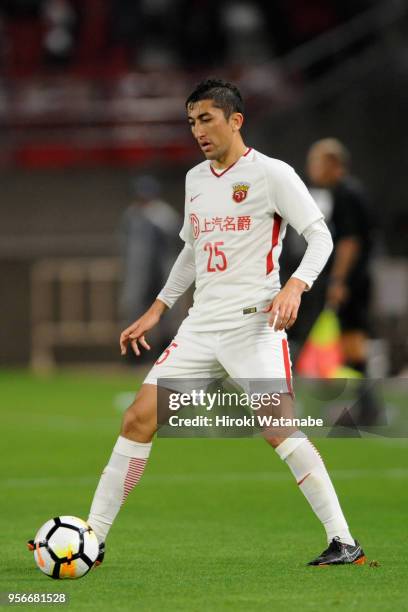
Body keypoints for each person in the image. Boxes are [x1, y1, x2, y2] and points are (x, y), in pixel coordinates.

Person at [83, 80, 366, 567]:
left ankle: (343, 541)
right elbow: (191, 252)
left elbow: (319, 236)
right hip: (199, 328)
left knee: (279, 430)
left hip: (252, 328)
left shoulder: (273, 174)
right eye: (192, 122)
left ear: (236, 120)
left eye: (206, 119)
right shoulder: (196, 179)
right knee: (137, 419)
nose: (198, 130)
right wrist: (157, 309)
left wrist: (295, 285)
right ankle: (93, 538)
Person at [307, 138, 381, 425]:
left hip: (352, 281)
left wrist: (338, 280)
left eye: (316, 162)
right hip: (358, 280)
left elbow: (350, 241)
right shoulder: (351, 191)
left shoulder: (345, 193)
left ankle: (368, 409)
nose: (311, 168)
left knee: (353, 344)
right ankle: (366, 407)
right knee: (352, 344)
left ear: (333, 164)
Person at [119, 174, 182, 356]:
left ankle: (166, 350)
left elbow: (178, 241)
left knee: (168, 313)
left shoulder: (164, 214)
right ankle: (134, 354)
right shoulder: (131, 215)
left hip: (163, 270)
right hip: (139, 271)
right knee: (135, 308)